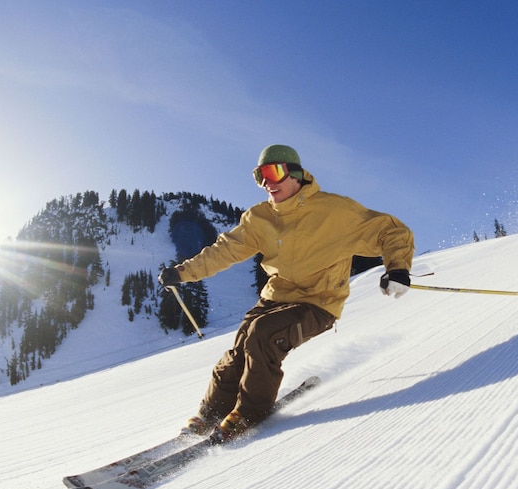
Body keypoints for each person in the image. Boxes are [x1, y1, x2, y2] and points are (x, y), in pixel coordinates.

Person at [158, 144, 414, 441]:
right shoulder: (260, 218)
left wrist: (397, 268)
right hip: (274, 298)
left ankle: (248, 413)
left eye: (273, 172)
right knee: (241, 346)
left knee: (262, 335)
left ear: (296, 174)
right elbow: (224, 250)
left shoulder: (335, 210)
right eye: (259, 176)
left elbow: (391, 231)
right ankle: (211, 413)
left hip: (318, 302)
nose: (266, 182)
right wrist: (182, 272)